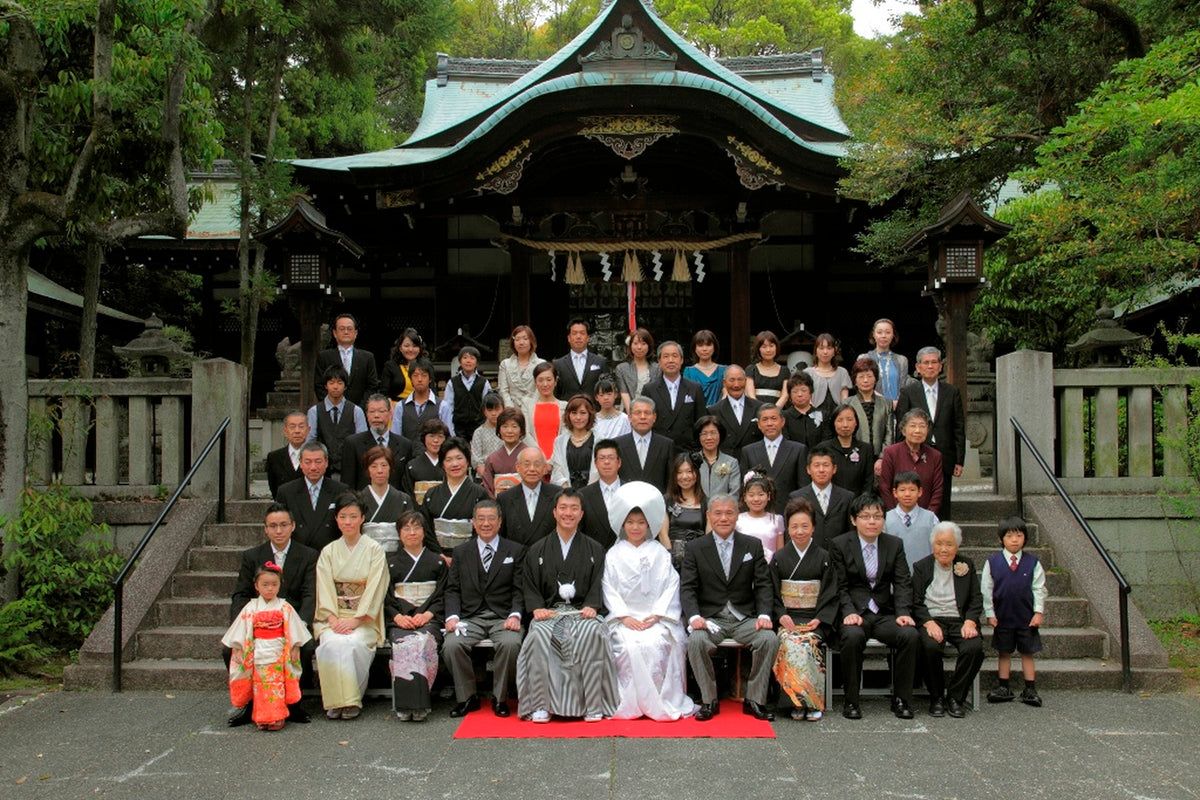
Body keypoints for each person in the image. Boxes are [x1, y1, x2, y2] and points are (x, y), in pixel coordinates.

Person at [516, 488, 619, 722]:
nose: (568, 513)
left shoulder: (594, 549)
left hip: (583, 611)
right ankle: (541, 704)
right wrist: (536, 607)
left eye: (574, 508)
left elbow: (599, 581)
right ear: (554, 512)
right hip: (550, 612)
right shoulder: (538, 549)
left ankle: (593, 703)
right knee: (538, 636)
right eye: (563, 508)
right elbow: (530, 583)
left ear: (582, 514)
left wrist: (593, 604)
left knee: (593, 633)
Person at [602, 482, 697, 720]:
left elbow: (671, 585)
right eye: (631, 522)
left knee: (657, 644)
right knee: (628, 646)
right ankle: (628, 702)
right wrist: (623, 616)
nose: (636, 527)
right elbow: (609, 588)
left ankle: (660, 700)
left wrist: (658, 614)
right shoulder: (613, 554)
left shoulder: (659, 553)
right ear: (623, 524)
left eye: (641, 523)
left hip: (655, 617)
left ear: (649, 525)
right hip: (625, 619)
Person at [680, 494, 779, 721]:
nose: (723, 518)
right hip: (711, 619)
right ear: (708, 516)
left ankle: (754, 699)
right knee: (696, 641)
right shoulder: (695, 547)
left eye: (729, 513)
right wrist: (694, 616)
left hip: (743, 617)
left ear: (737, 516)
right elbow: (688, 587)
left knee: (769, 639)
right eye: (718, 513)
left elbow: (763, 583)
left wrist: (764, 614)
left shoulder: (751, 545)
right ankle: (709, 700)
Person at [226, 503, 318, 727]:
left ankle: (293, 702)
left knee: (304, 647)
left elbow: (309, 594)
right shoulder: (252, 556)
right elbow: (241, 594)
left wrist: (300, 627)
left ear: (293, 526)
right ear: (265, 529)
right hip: (257, 622)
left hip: (291, 621)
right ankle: (250, 703)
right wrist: (245, 629)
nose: (279, 531)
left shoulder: (307, 555)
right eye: (273, 526)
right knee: (230, 649)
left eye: (284, 525)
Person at [829, 493, 920, 720]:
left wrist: (903, 613)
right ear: (854, 520)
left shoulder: (893, 544)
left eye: (877, 517)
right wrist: (848, 612)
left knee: (909, 634)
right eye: (866, 517)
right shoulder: (840, 545)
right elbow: (838, 585)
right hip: (854, 612)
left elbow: (902, 582)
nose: (872, 522)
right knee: (851, 637)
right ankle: (851, 700)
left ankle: (901, 699)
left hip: (883, 612)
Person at [443, 500, 525, 719]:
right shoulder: (461, 552)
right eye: (481, 518)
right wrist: (452, 616)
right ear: (473, 522)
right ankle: (467, 697)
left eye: (491, 518)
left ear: (500, 522)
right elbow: (452, 589)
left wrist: (516, 614)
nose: (486, 523)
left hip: (503, 616)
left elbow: (520, 589)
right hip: (471, 616)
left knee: (511, 643)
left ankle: (501, 698)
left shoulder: (515, 550)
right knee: (452, 645)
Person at [313, 492, 389, 720]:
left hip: (364, 618)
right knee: (330, 644)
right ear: (336, 519)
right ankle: (337, 701)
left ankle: (351, 699)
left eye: (353, 516)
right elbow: (324, 587)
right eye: (343, 517)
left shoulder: (375, 549)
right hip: (334, 616)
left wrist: (357, 619)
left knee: (353, 643)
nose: (348, 522)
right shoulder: (328, 551)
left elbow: (376, 586)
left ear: (363, 518)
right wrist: (333, 619)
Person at [222, 562, 312, 731]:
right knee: (260, 687)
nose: (270, 589)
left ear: (280, 585)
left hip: (279, 652)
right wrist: (240, 648)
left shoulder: (285, 607)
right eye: (265, 585)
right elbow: (241, 630)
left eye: (274, 584)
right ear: (256, 586)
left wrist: (294, 647)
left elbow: (295, 630)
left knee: (277, 686)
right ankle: (262, 717)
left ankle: (277, 716)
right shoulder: (251, 607)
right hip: (258, 651)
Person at [771, 498, 838, 721]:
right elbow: (771, 592)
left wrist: (820, 618)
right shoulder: (779, 558)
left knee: (808, 642)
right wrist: (781, 615)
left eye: (805, 526)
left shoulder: (824, 558)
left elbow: (830, 593)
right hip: (788, 618)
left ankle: (813, 701)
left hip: (814, 619)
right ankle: (797, 701)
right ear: (787, 528)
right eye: (794, 526)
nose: (799, 531)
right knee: (789, 642)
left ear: (814, 528)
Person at [912, 521, 984, 719]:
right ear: (932, 544)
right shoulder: (921, 567)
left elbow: (976, 598)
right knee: (929, 646)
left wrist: (970, 621)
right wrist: (928, 622)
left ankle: (955, 697)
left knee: (974, 647)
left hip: (959, 619)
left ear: (957, 546)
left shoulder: (965, 564)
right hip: (932, 618)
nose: (944, 549)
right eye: (939, 543)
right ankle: (936, 696)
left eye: (949, 544)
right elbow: (915, 601)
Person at [384, 511, 447, 722]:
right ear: (399, 533)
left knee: (422, 641)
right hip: (401, 619)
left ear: (424, 531)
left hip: (429, 619)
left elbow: (444, 593)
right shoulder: (389, 563)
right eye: (406, 528)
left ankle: (420, 704)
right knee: (404, 642)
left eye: (417, 528)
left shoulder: (437, 563)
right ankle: (404, 705)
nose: (412, 533)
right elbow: (384, 596)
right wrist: (396, 616)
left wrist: (429, 613)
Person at [982, 516, 1046, 707]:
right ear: (1001, 538)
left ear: (1025, 538)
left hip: (1026, 617)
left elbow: (1039, 588)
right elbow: (986, 589)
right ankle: (1003, 686)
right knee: (1004, 652)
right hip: (1003, 616)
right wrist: (990, 613)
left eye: (1019, 535)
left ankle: (1030, 688)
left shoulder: (1033, 563)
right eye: (1010, 536)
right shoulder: (992, 562)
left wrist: (1038, 611)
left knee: (1027, 652)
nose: (1015, 540)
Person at [896, 346, 965, 520]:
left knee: (942, 502)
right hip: (915, 454)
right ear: (918, 367)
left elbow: (958, 426)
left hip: (944, 455)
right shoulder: (908, 392)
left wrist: (959, 459)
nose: (930, 366)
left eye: (934, 362)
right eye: (925, 363)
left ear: (940, 366)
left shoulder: (952, 392)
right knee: (915, 497)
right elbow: (901, 426)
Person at [421, 437, 489, 557]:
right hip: (437, 557)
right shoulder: (431, 495)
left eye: (459, 458)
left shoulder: (479, 493)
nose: (455, 464)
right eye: (449, 460)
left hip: (470, 556)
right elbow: (426, 528)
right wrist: (438, 554)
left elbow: (483, 527)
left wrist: (462, 556)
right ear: (442, 464)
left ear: (467, 461)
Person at [275, 441, 349, 549]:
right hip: (299, 554)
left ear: (326, 462)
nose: (313, 467)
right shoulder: (286, 492)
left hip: (331, 553)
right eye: (308, 462)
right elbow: (281, 526)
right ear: (300, 463)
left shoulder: (341, 490)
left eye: (318, 461)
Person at [786, 445, 854, 553]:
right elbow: (790, 533)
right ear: (808, 469)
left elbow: (851, 533)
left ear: (834, 469)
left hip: (839, 557)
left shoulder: (847, 497)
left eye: (826, 465)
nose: (821, 470)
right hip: (809, 557)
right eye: (816, 465)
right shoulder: (796, 497)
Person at [738, 404, 805, 514]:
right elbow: (743, 489)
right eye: (765, 420)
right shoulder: (748, 451)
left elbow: (803, 487)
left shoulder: (798, 450)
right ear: (759, 424)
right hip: (758, 514)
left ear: (782, 422)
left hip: (788, 512)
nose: (769, 424)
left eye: (774, 419)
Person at [643, 340, 707, 452]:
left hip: (688, 450)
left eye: (675, 356)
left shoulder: (695, 388)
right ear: (659, 361)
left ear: (681, 360)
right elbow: (646, 423)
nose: (670, 360)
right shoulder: (649, 389)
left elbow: (701, 422)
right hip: (659, 449)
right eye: (666, 356)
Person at [341, 394, 413, 491]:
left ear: (390, 413)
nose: (376, 416)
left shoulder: (405, 444)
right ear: (366, 415)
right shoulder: (353, 443)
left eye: (381, 411)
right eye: (372, 411)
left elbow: (406, 484)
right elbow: (348, 484)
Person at [879, 409, 944, 517]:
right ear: (903, 430)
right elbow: (885, 487)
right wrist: (895, 514)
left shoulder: (935, 456)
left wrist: (929, 515)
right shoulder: (891, 453)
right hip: (896, 515)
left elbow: (938, 489)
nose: (917, 430)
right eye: (913, 426)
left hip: (926, 515)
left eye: (922, 426)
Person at [306, 365, 368, 479]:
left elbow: (362, 443)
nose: (335, 387)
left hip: (349, 468)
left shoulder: (356, 411)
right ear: (326, 385)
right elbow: (310, 441)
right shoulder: (314, 411)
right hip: (322, 470)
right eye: (331, 382)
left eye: (339, 383)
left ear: (345, 386)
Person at [358, 446, 419, 554]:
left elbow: (409, 531)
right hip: (365, 556)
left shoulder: (403, 499)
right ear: (368, 470)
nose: (380, 471)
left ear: (390, 468)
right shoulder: (359, 500)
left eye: (384, 465)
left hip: (396, 557)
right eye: (374, 466)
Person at [497, 447, 562, 546]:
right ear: (518, 467)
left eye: (537, 464)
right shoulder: (505, 498)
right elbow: (501, 536)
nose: (532, 469)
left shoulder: (557, 494)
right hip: (517, 557)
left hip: (548, 556)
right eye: (526, 464)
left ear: (545, 468)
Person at [314, 313, 380, 406]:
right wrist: (333, 405)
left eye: (349, 329)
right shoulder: (324, 356)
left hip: (360, 410)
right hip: (332, 409)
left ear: (355, 333)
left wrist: (359, 408)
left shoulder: (367, 357)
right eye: (342, 329)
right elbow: (319, 386)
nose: (346, 332)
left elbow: (372, 386)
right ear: (335, 333)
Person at [613, 396, 674, 490]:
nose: (643, 417)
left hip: (657, 501)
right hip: (626, 500)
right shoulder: (617, 444)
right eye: (637, 413)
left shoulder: (666, 445)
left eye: (647, 413)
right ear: (629, 417)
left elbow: (670, 480)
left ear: (654, 417)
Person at [846, 357, 894, 471]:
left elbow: (889, 432)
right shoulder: (847, 403)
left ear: (875, 379)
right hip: (853, 456)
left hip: (879, 458)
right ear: (855, 380)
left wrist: (883, 457)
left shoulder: (886, 403)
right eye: (861, 377)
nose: (865, 380)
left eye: (869, 376)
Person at [884, 471, 939, 569]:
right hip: (895, 576)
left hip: (925, 576)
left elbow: (938, 547)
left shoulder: (931, 518)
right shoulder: (885, 519)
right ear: (895, 493)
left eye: (912, 490)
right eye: (902, 490)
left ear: (920, 492)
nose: (907, 494)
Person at [706, 364, 763, 455]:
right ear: (724, 382)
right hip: (726, 464)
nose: (736, 385)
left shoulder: (759, 407)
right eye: (732, 380)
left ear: (745, 381)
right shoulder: (714, 411)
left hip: (754, 461)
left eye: (740, 380)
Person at [820, 401, 875, 496]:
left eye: (849, 419)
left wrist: (861, 503)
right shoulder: (823, 448)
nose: (845, 425)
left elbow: (868, 481)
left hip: (858, 503)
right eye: (840, 420)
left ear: (856, 423)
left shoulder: (866, 449)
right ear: (833, 423)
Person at [439, 345, 493, 442]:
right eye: (465, 358)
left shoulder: (484, 382)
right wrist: (451, 431)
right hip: (458, 428)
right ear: (460, 361)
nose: (468, 361)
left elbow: (487, 406)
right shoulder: (452, 382)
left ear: (477, 363)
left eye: (472, 358)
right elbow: (448, 407)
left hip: (478, 427)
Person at [577, 438, 622, 549]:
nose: (606, 462)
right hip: (594, 556)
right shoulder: (583, 495)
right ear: (595, 463)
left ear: (619, 462)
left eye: (611, 458)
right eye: (602, 458)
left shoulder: (631, 491)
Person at [664, 453, 706, 566]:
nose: (684, 476)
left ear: (696, 474)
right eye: (679, 472)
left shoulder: (706, 502)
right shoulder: (667, 500)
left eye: (689, 471)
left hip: (698, 559)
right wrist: (670, 558)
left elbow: (709, 535)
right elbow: (663, 534)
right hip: (672, 559)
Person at [856, 318, 910, 406]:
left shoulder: (902, 360)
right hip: (873, 406)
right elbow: (862, 384)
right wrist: (887, 403)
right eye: (879, 332)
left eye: (888, 332)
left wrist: (897, 404)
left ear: (893, 335)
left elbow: (903, 387)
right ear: (873, 335)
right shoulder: (864, 358)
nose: (883, 336)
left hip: (897, 407)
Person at [549, 394, 596, 488]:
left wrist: (589, 491)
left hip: (592, 492)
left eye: (583, 413)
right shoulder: (560, 441)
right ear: (568, 415)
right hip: (566, 493)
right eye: (574, 413)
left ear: (590, 415)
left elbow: (599, 470)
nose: (578, 417)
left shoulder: (599, 440)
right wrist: (567, 489)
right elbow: (557, 470)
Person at [736, 471, 784, 562]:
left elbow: (780, 552)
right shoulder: (738, 520)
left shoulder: (777, 520)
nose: (756, 499)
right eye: (751, 495)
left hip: (770, 568)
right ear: (745, 497)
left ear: (768, 496)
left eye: (761, 494)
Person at [554, 318, 606, 400]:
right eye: (574, 333)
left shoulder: (600, 362)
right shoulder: (558, 364)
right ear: (569, 338)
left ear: (588, 338)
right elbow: (556, 393)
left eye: (582, 333)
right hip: (568, 410)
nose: (578, 337)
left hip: (593, 410)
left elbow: (605, 389)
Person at [524, 361, 567, 460]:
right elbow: (526, 434)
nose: (545, 384)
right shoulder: (527, 405)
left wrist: (552, 461)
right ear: (535, 382)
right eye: (540, 380)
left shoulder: (564, 406)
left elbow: (565, 435)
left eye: (549, 380)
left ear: (556, 381)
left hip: (558, 459)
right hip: (534, 460)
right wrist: (541, 458)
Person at [390, 358, 440, 443]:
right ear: (410, 379)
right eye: (415, 375)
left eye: (424, 375)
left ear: (430, 379)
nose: (419, 379)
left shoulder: (442, 406)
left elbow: (448, 436)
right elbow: (395, 439)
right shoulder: (400, 406)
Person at [496, 325, 545, 411]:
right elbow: (503, 390)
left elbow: (541, 389)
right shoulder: (505, 364)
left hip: (534, 410)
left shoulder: (541, 364)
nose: (521, 342)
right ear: (513, 343)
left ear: (531, 341)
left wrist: (530, 407)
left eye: (525, 339)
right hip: (512, 412)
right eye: (517, 339)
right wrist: (511, 409)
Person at [481, 408, 528, 498]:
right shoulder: (492, 459)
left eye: (514, 426)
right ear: (499, 430)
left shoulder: (528, 455)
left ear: (521, 430)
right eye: (505, 426)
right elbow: (488, 487)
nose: (509, 431)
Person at [402, 418, 448, 505]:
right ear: (424, 439)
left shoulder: (449, 464)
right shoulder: (412, 466)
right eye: (431, 436)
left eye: (440, 436)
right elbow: (408, 494)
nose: (436, 440)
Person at [695, 415, 741, 500]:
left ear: (720, 435)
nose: (709, 437)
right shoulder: (692, 461)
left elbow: (734, 493)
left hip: (723, 510)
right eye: (704, 434)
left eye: (713, 433)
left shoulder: (731, 462)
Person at [804, 333, 852, 412]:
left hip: (837, 415)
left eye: (829, 348)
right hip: (814, 414)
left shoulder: (842, 372)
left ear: (834, 351)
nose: (825, 352)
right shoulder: (808, 373)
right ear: (816, 351)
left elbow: (844, 399)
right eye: (821, 348)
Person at [782, 371, 831, 449]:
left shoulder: (823, 415)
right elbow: (785, 442)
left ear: (810, 391)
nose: (799, 394)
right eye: (795, 391)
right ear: (790, 394)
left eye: (804, 390)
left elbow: (827, 441)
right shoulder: (784, 416)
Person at [615, 327, 660, 410]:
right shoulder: (621, 368)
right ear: (630, 346)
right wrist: (632, 415)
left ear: (649, 346)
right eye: (635, 343)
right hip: (629, 412)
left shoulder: (657, 368)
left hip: (650, 412)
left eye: (643, 344)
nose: (639, 347)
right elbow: (624, 393)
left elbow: (657, 394)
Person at [266, 411, 308, 496]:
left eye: (301, 427)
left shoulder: (317, 456)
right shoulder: (274, 457)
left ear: (308, 430)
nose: (297, 431)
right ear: (285, 431)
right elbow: (274, 487)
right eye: (292, 427)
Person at [381, 328, 429, 402]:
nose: (410, 349)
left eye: (414, 346)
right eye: (406, 346)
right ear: (400, 348)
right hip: (396, 408)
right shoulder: (390, 366)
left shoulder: (426, 366)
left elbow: (432, 391)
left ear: (420, 348)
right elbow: (384, 393)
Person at [683, 329, 726, 406]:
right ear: (695, 348)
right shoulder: (689, 372)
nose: (704, 349)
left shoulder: (724, 370)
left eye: (708, 345)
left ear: (714, 347)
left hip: (719, 414)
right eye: (700, 345)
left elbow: (726, 396)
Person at [745, 330, 787, 408]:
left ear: (776, 347)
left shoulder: (784, 371)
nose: (768, 350)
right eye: (764, 347)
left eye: (771, 346)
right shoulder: (751, 369)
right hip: (755, 412)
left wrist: (774, 411)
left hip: (777, 413)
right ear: (758, 349)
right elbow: (750, 395)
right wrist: (762, 412)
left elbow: (785, 396)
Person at [470, 392, 504, 477]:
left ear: (503, 409)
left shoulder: (508, 431)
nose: (493, 413)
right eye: (490, 410)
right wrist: (487, 477)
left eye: (497, 409)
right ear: (484, 412)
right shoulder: (479, 432)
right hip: (484, 477)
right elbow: (476, 459)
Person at [591, 377, 631, 441]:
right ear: (596, 397)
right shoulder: (592, 420)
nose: (606, 398)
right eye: (601, 395)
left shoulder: (624, 419)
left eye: (609, 394)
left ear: (615, 395)